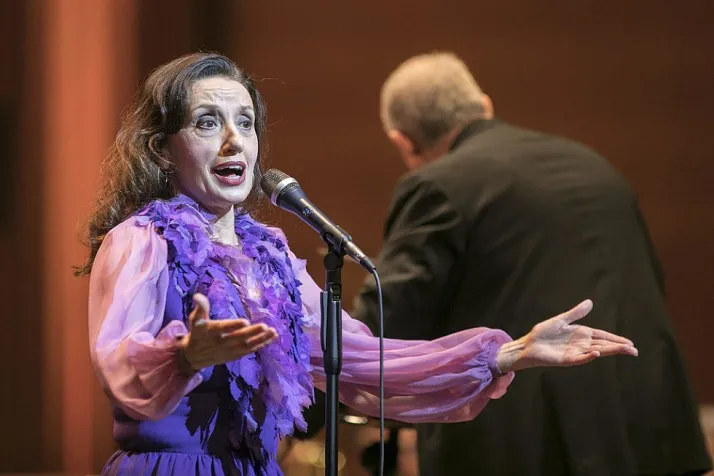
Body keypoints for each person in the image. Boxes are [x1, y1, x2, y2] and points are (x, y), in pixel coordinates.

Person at [77, 52, 638, 476]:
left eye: (245, 122)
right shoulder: (142, 241)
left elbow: (363, 360)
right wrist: (183, 354)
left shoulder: (271, 258)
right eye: (206, 122)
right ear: (161, 148)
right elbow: (118, 360)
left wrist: (507, 353)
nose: (233, 141)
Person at [351, 51, 713, 476]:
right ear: (485, 105)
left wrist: (301, 406)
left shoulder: (437, 185)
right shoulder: (592, 164)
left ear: (403, 141)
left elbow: (386, 316)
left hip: (532, 444)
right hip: (651, 425)